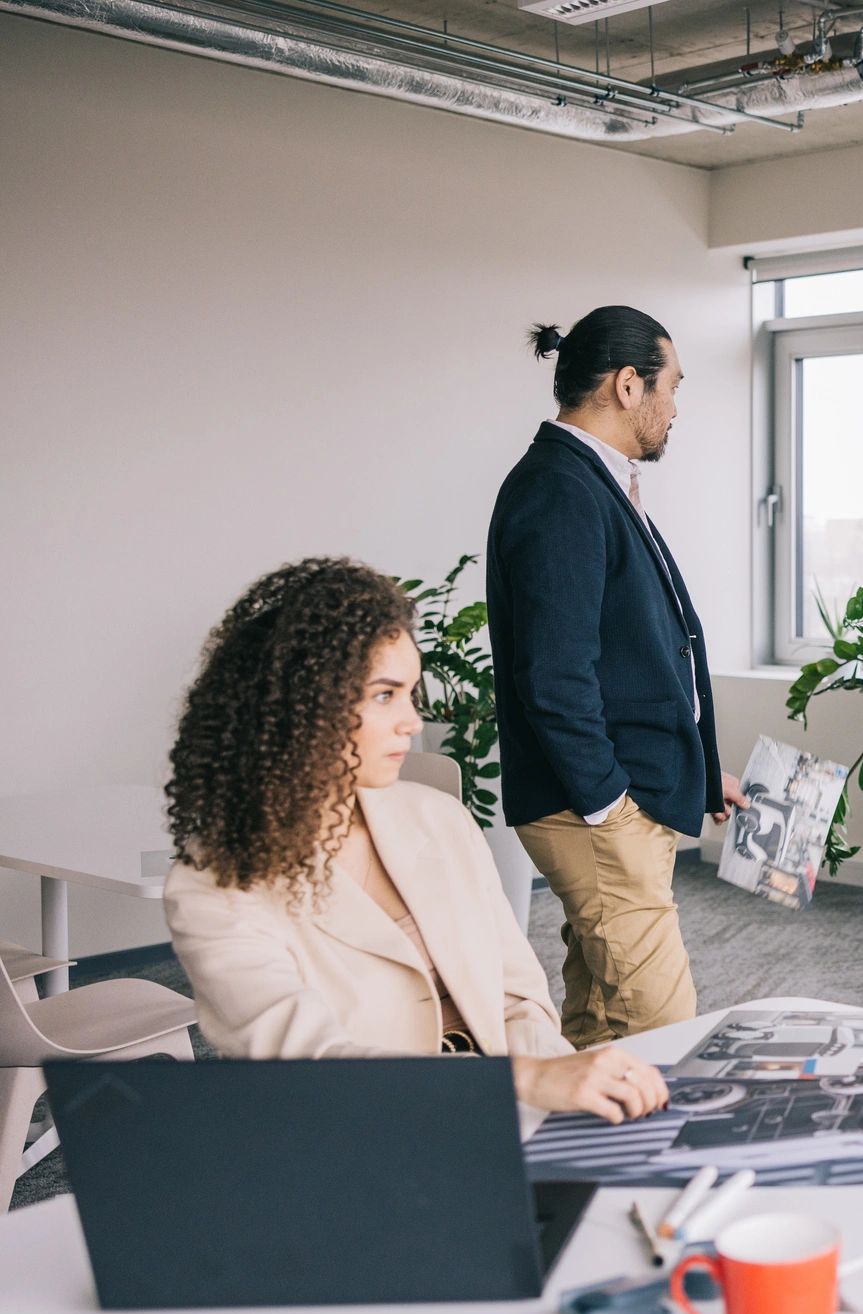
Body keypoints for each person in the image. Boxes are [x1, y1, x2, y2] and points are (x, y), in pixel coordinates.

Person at [163, 559, 669, 1124]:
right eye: (385, 695)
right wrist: (526, 1081)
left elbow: (517, 1000)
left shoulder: (439, 819)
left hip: (511, 1114)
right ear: (296, 702)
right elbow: (310, 1066)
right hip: (368, 1140)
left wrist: (565, 1108)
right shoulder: (214, 887)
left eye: (410, 692)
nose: (412, 720)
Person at [490, 307, 745, 1048]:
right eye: (673, 386)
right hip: (595, 813)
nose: (676, 407)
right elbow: (555, 677)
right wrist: (610, 809)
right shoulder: (560, 491)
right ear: (628, 385)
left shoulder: (590, 482)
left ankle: (574, 1160)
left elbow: (639, 656)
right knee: (663, 1034)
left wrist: (699, 769)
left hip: (616, 801)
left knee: (600, 1023)